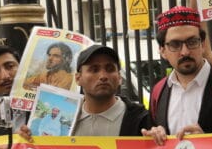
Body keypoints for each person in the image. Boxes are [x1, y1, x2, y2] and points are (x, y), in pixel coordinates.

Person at [142, 7, 212, 145]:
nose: (185, 52)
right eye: (175, 44)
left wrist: (208, 142)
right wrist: (155, 135)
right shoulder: (158, 92)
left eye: (192, 42)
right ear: (162, 51)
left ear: (203, 44)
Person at [20, 45, 150, 137]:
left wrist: (158, 136)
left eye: (110, 69)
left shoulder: (141, 121)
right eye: (94, 69)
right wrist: (30, 140)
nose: (103, 76)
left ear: (119, 78)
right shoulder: (66, 117)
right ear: (78, 78)